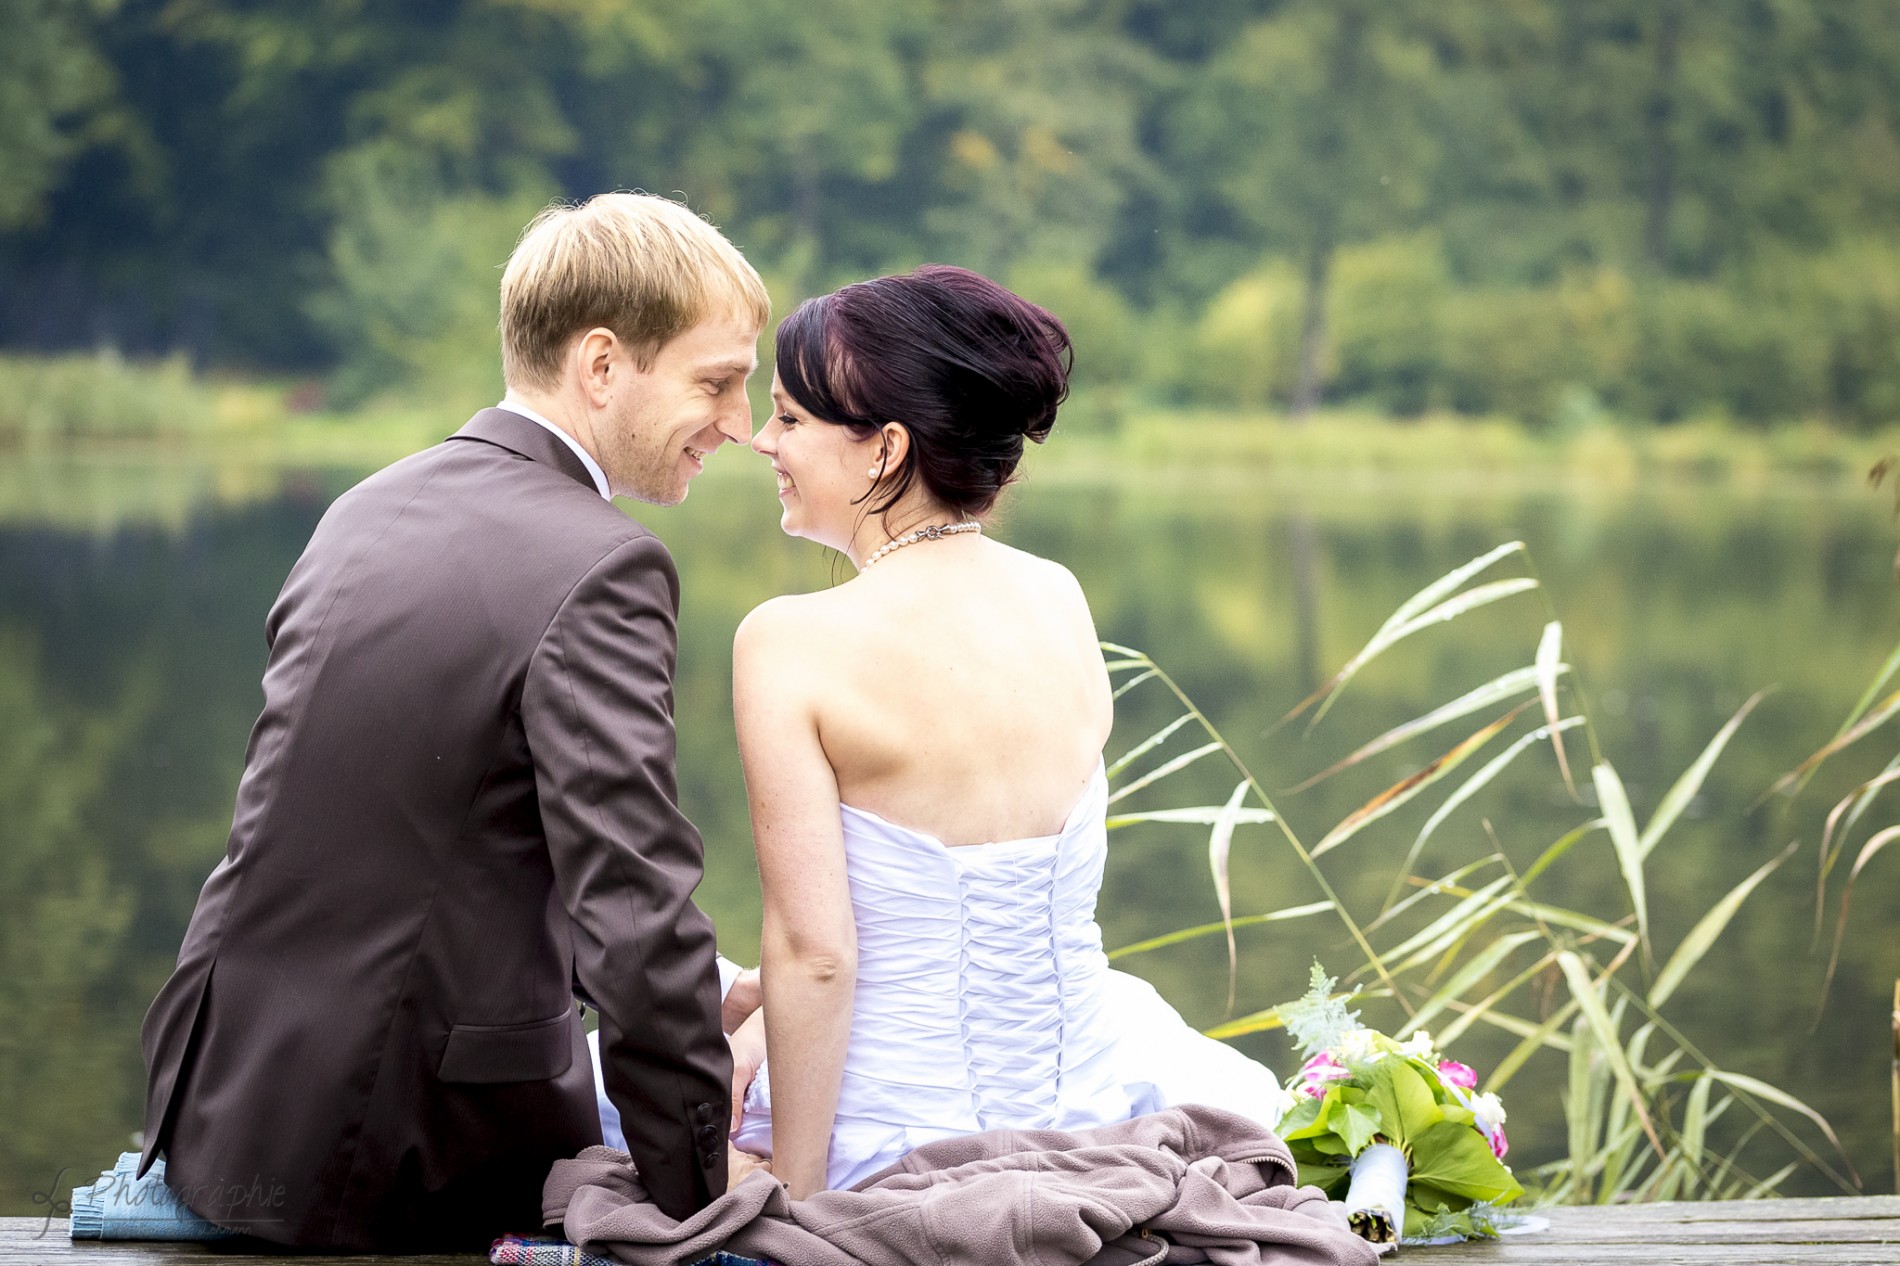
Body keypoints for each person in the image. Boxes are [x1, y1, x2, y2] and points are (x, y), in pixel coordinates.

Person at [136, 193, 769, 1251]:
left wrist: (699, 992)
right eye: (716, 383)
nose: (741, 425)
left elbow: (419, 845)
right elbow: (631, 902)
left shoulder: (368, 506)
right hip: (400, 1152)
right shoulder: (601, 564)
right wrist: (702, 1186)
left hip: (225, 1105)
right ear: (602, 366)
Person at [592, 264, 1290, 1197]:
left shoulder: (792, 642)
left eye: (792, 420)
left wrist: (798, 1200)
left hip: (893, 1135)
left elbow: (819, 955)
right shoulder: (1060, 596)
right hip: (1083, 1108)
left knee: (602, 1076)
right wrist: (762, 1013)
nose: (760, 439)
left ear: (884, 451)